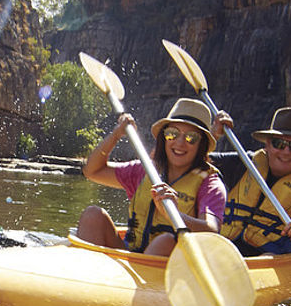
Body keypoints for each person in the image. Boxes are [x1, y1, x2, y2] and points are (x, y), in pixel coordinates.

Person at [76, 98, 227, 256]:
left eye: (191, 138)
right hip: (131, 253)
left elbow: (211, 230)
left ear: (201, 144)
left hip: (167, 265)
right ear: (163, 137)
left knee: (165, 242)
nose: (180, 143)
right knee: (93, 215)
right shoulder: (145, 170)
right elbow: (92, 171)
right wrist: (116, 134)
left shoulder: (210, 184)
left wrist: (175, 215)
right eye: (172, 134)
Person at [209, 106, 291, 256]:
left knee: (268, 257)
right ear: (267, 144)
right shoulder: (244, 163)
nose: (286, 152)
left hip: (269, 258)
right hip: (221, 249)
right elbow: (194, 161)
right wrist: (213, 135)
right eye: (279, 144)